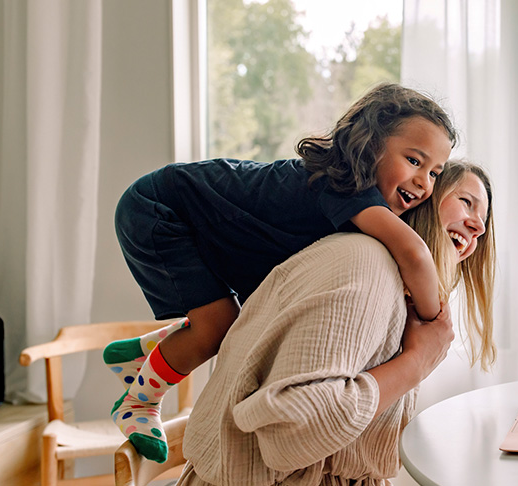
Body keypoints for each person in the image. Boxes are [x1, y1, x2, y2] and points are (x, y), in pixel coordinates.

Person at [105, 83, 457, 462]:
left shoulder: (351, 200)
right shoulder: (345, 185)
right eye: (414, 161)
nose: (424, 183)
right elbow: (415, 253)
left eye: (436, 172)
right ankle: (138, 403)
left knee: (237, 319)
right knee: (217, 328)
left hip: (195, 217)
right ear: (370, 146)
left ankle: (144, 355)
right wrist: (431, 322)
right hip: (159, 208)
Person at [176, 160, 496, 485]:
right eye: (466, 202)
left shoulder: (390, 279)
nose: (479, 230)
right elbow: (289, 431)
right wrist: (416, 362)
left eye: (482, 223)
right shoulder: (366, 266)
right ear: (422, 195)